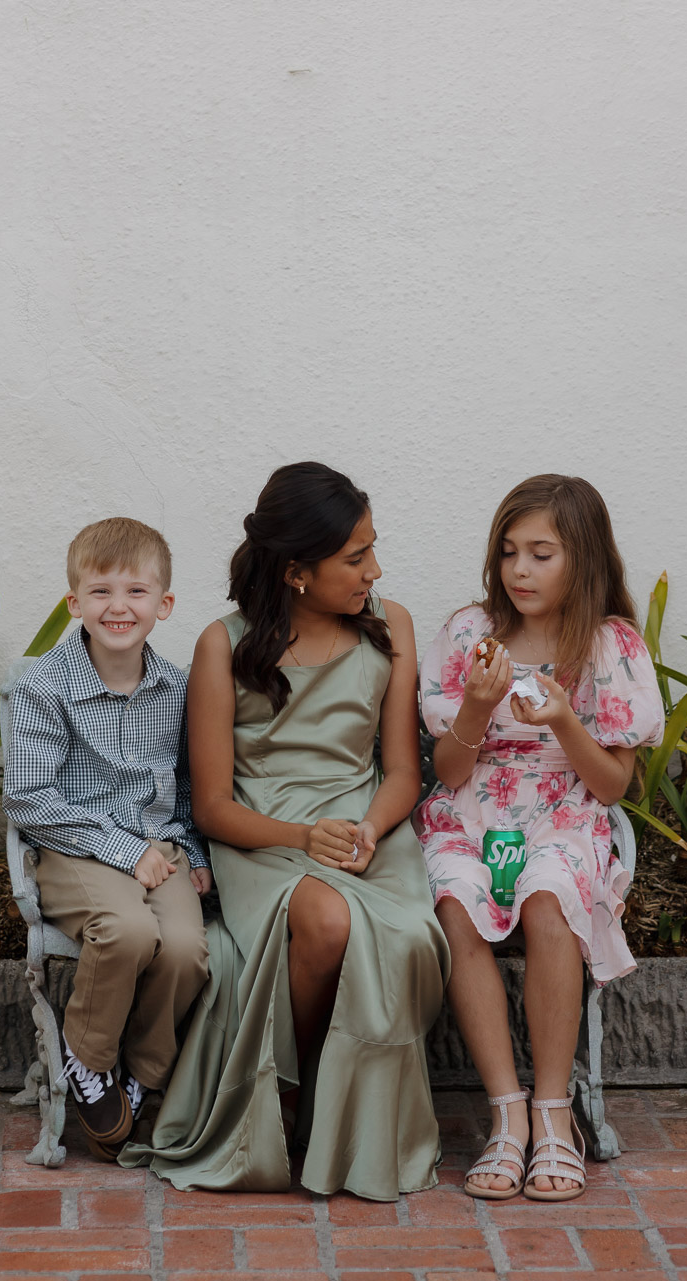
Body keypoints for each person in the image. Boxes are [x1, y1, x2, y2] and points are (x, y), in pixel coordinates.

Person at [119, 462, 449, 1200]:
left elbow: (403, 770)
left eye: (372, 549)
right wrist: (302, 838)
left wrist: (368, 828)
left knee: (405, 940)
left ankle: (336, 1109)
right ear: (297, 571)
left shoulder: (390, 626)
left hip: (366, 826)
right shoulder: (224, 644)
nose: (374, 570)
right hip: (264, 835)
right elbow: (212, 805)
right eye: (355, 557)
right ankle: (289, 1097)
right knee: (327, 922)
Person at [416, 475, 663, 1203]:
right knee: (454, 901)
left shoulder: (609, 645)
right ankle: (507, 1112)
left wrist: (561, 721)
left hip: (566, 810)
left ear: (581, 558)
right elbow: (450, 771)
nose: (518, 570)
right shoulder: (471, 635)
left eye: (540, 554)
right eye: (508, 552)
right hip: (474, 809)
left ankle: (554, 1110)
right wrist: (478, 704)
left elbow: (612, 787)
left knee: (549, 895)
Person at [3, 518, 211, 1161]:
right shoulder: (43, 686)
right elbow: (30, 800)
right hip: (75, 845)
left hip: (159, 844)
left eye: (136, 591)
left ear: (164, 605)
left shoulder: (177, 689)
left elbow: (188, 783)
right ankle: (87, 1057)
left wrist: (194, 853)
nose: (118, 607)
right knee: (127, 931)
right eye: (101, 591)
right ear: (74, 603)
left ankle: (142, 1072)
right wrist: (125, 852)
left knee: (184, 949)